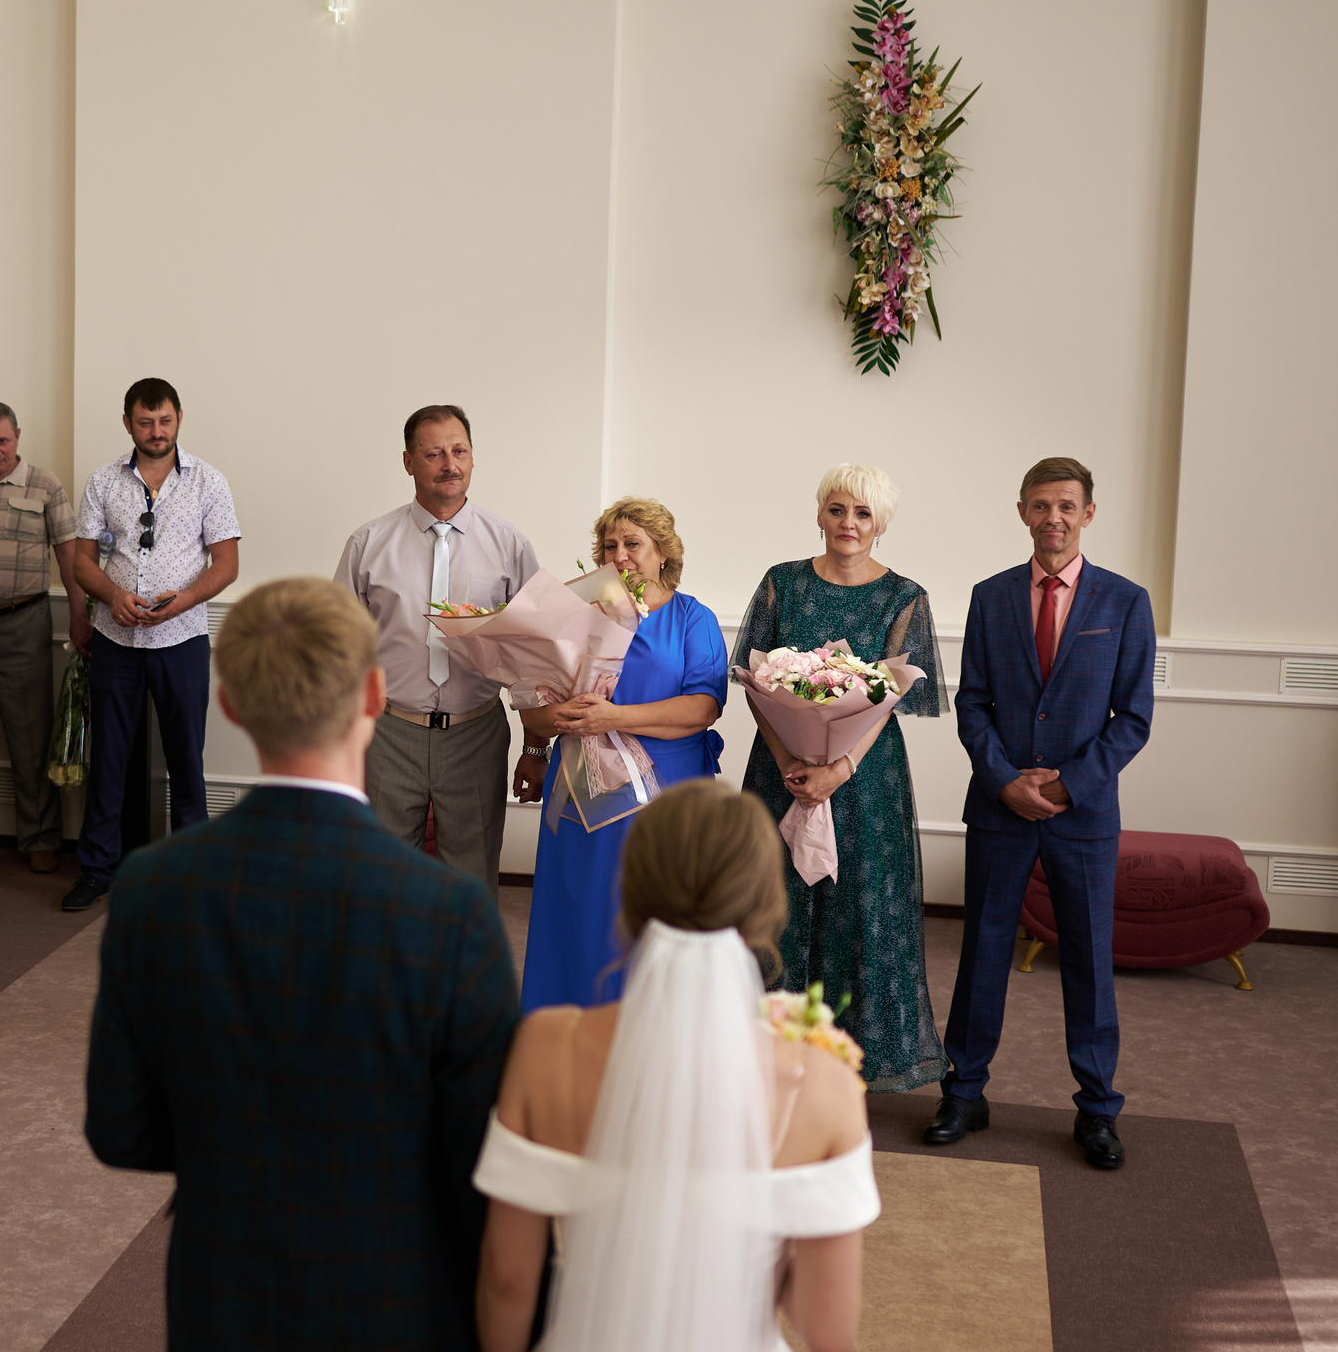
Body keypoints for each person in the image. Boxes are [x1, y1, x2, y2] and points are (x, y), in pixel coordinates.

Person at [85, 577, 518, 1352]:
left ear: (229, 703)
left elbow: (120, 1127)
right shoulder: (451, 913)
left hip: (232, 1325)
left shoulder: (153, 888)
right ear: (373, 696)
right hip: (409, 1337)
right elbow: (487, 1169)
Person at [476, 780, 876, 1352]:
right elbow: (830, 1332)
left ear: (630, 899)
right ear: (765, 909)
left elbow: (506, 1277)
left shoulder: (544, 1047)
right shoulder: (821, 1085)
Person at [931, 456, 1155, 1171]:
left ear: (1088, 513)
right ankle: (964, 1092)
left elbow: (1133, 718)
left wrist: (1067, 786)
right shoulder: (990, 597)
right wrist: (1004, 781)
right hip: (1000, 809)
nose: (1052, 517)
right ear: (1022, 511)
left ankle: (1097, 1108)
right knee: (983, 953)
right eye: (1039, 505)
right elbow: (972, 703)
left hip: (1082, 814)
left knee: (1088, 958)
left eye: (1066, 505)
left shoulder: (1125, 601)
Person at [734, 464, 946, 1092]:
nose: (848, 524)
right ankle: (765, 1065)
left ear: (880, 523)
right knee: (777, 909)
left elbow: (891, 700)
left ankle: (848, 1069)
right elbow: (755, 683)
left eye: (862, 514)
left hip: (867, 782)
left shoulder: (904, 597)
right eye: (837, 510)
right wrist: (791, 763)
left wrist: (839, 768)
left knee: (862, 914)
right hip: (781, 773)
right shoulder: (782, 584)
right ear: (820, 514)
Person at [518, 498, 726, 1010]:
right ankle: (568, 1047)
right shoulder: (573, 617)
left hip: (667, 797)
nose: (621, 555)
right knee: (581, 915)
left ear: (662, 554)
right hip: (581, 796)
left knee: (657, 920)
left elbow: (702, 708)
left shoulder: (691, 618)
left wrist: (614, 718)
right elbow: (534, 714)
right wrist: (556, 720)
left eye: (633, 544)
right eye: (610, 546)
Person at [336, 404, 544, 885]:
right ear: (408, 462)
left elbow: (536, 657)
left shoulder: (510, 545)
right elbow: (339, 652)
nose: (449, 464)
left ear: (472, 458)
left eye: (459, 451)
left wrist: (535, 748)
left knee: (470, 884)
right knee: (382, 880)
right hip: (389, 733)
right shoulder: (368, 544)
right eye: (433, 454)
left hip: (476, 733)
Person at [63, 378, 242, 912]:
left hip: (182, 639)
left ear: (179, 418)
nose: (156, 431)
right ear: (127, 424)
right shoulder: (102, 481)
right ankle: (97, 869)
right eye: (145, 422)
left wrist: (186, 600)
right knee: (109, 759)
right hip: (115, 638)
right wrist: (112, 597)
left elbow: (228, 565)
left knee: (187, 758)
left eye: (164, 421)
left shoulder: (209, 481)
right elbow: (81, 562)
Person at [0, 401, 84, 874]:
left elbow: (69, 557)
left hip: (26, 620)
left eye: (3, 440)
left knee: (30, 735)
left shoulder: (45, 484)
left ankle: (40, 838)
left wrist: (80, 614)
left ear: (18, 436)